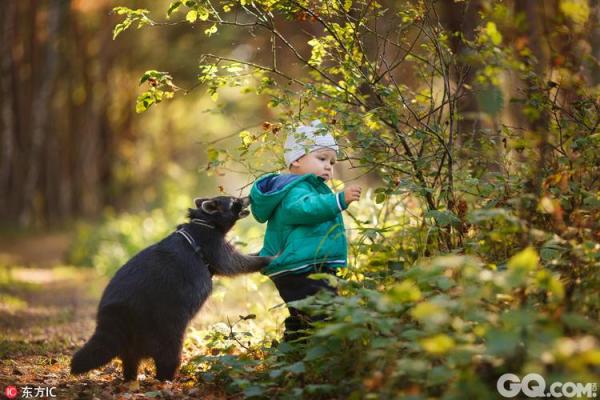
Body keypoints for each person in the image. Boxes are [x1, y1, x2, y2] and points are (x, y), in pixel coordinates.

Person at [249, 119, 362, 341]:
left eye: (331, 161)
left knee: (305, 318)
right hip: (300, 268)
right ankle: (319, 358)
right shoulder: (294, 189)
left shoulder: (306, 188)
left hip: (304, 265)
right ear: (297, 160)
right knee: (323, 314)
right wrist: (338, 200)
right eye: (322, 158)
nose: (329, 166)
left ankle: (292, 353)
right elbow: (305, 209)